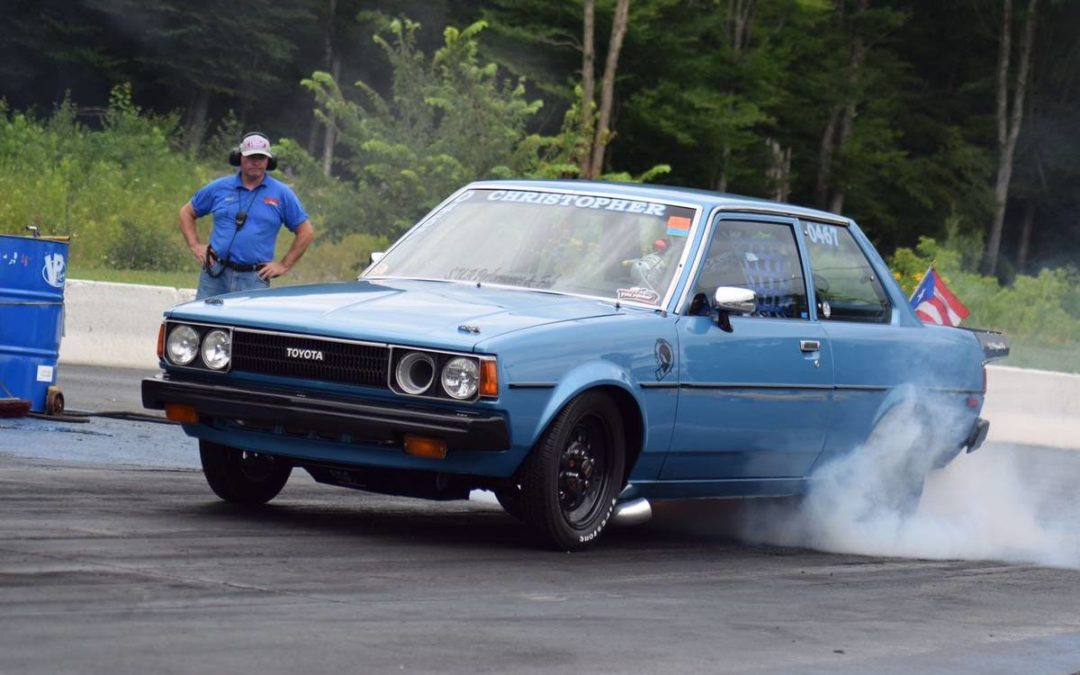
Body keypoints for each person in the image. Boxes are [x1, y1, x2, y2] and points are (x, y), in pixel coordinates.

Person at [179, 132, 315, 299]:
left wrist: (283, 265)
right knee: (204, 323)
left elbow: (306, 232)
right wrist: (195, 245)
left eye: (261, 157)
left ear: (269, 160)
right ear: (240, 157)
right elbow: (187, 212)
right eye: (251, 157)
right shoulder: (219, 187)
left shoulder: (282, 194)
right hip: (215, 273)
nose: (256, 162)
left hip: (254, 278)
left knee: (246, 325)